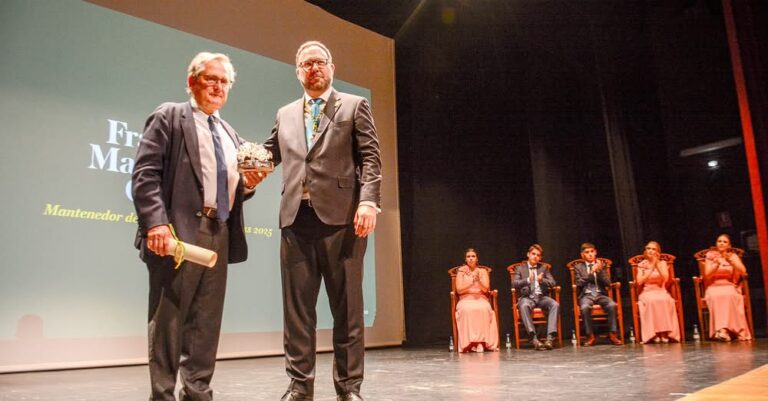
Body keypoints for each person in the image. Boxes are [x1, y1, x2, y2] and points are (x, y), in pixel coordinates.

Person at [132, 52, 265, 401]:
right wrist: (155, 224)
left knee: (206, 323)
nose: (218, 87)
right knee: (169, 321)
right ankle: (162, 394)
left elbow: (232, 187)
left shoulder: (229, 133)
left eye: (224, 82)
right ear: (192, 81)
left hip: (218, 231)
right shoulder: (169, 117)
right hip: (176, 234)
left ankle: (198, 392)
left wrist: (249, 184)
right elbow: (145, 175)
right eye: (211, 79)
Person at [263, 41, 381, 401]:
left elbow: (371, 159)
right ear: (297, 72)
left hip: (342, 220)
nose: (313, 67)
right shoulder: (285, 113)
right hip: (296, 221)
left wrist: (368, 203)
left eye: (319, 62)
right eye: (305, 63)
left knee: (346, 311)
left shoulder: (353, 105)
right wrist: (247, 166)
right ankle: (300, 386)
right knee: (297, 313)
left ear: (331, 67)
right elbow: (269, 154)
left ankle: (348, 388)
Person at [703, 234, 752, 341]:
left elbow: (743, 271)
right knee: (717, 296)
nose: (721, 243)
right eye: (719, 241)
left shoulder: (733, 256)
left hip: (729, 285)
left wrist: (732, 262)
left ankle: (728, 331)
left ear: (729, 245)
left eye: (724, 242)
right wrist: (716, 264)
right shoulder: (710, 255)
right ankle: (722, 329)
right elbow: (707, 274)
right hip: (714, 286)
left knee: (730, 295)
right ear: (716, 243)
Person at [573, 243, 623, 346]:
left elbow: (608, 283)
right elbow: (579, 283)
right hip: (586, 295)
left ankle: (613, 334)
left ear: (595, 252)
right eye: (587, 252)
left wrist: (599, 271)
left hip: (600, 294)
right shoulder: (578, 267)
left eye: (592, 252)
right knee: (585, 307)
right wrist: (591, 272)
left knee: (612, 305)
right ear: (582, 255)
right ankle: (590, 335)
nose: (590, 254)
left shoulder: (602, 265)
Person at [511, 244, 559, 350]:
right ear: (528, 254)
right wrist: (528, 280)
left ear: (540, 258)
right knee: (523, 306)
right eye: (533, 254)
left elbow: (553, 283)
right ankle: (533, 338)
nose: (535, 256)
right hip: (527, 297)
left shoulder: (544, 268)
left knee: (555, 304)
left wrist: (542, 280)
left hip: (541, 297)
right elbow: (514, 284)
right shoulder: (520, 269)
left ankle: (550, 338)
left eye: (538, 255)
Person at [454, 248, 500, 353]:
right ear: (465, 259)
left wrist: (478, 280)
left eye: (473, 256)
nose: (471, 258)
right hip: (465, 299)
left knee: (483, 308)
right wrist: (471, 281)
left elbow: (486, 289)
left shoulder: (482, 271)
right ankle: (470, 344)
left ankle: (481, 342)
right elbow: (459, 290)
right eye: (468, 256)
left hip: (481, 298)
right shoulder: (461, 271)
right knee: (467, 310)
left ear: (477, 258)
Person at [635, 241, 680, 344]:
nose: (650, 251)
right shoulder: (641, 264)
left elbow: (665, 278)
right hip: (647, 292)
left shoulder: (663, 263)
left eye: (653, 249)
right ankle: (654, 333)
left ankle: (664, 333)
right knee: (652, 301)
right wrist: (650, 268)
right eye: (648, 248)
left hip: (660, 290)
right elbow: (640, 281)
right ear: (645, 251)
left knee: (665, 300)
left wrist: (657, 265)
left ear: (657, 252)